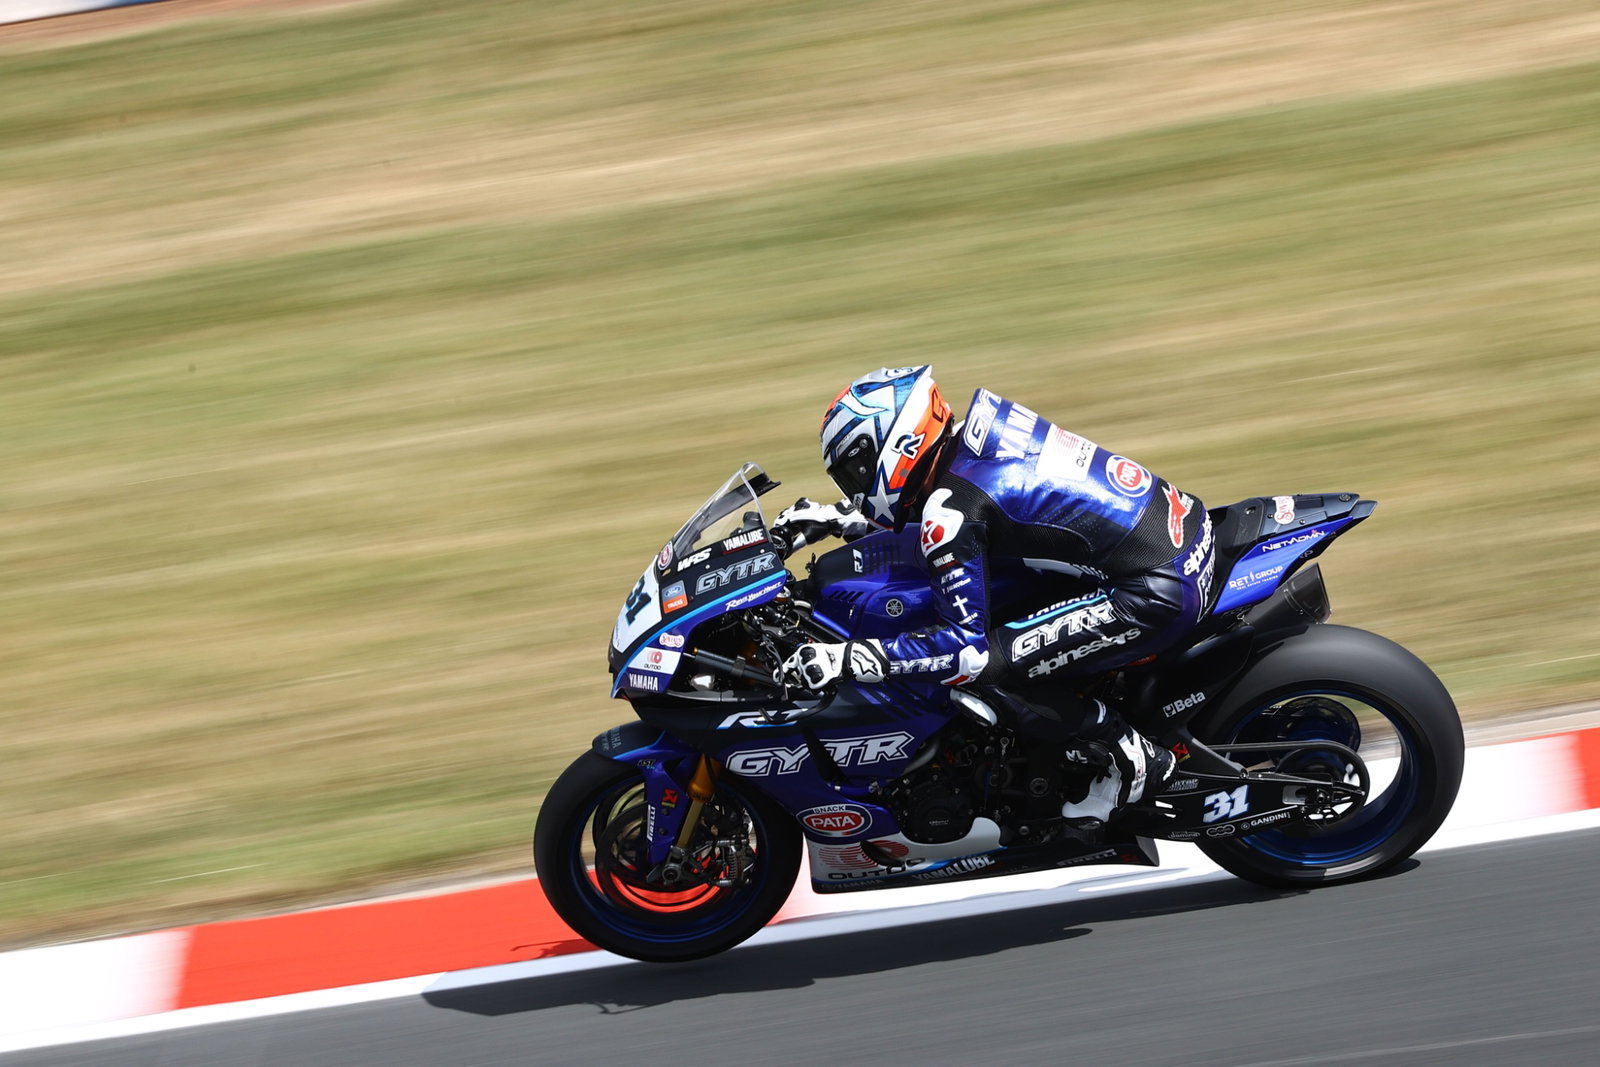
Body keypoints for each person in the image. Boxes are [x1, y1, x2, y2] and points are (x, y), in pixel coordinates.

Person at [773, 366, 1217, 826]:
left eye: (856, 470)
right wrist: (840, 519)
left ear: (897, 444)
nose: (856, 486)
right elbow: (983, 509)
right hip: (1175, 532)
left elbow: (963, 647)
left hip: (1152, 588)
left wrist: (846, 658)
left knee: (981, 670)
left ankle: (1129, 755)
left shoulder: (953, 511)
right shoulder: (973, 436)